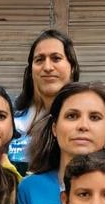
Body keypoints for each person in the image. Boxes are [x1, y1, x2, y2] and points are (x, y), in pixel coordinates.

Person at [11, 30, 79, 171]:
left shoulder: (87, 119)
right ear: (31, 70)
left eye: (56, 58)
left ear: (72, 67)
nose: (47, 67)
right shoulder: (11, 118)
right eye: (39, 60)